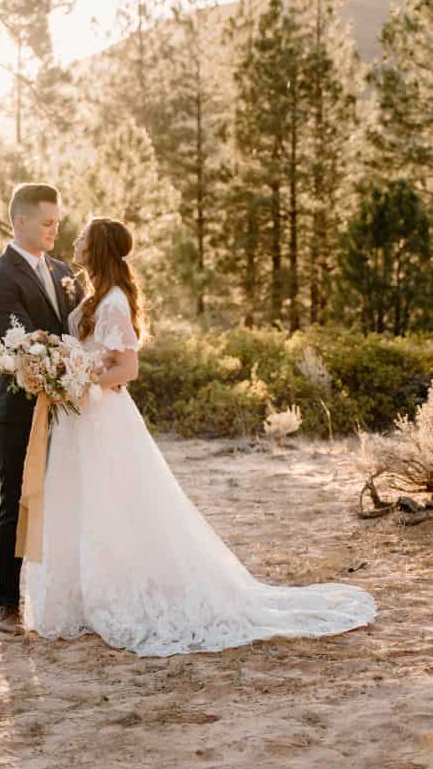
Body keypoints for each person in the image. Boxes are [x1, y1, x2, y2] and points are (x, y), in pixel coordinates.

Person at [23, 217, 377, 657]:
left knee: (115, 505)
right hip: (82, 417)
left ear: (97, 248)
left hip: (102, 416)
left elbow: (126, 370)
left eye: (83, 237)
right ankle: (84, 598)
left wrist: (80, 376)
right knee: (85, 503)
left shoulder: (113, 301)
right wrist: (67, 367)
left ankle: (126, 596)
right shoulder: (96, 296)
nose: (75, 240)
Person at [0, 183, 82, 634]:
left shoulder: (65, 270)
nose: (54, 230)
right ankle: (8, 603)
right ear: (19, 221)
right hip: (21, 405)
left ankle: (63, 595)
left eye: (57, 222)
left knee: (68, 496)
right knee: (16, 499)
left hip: (70, 403)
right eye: (46, 223)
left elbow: (79, 326)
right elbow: (16, 336)